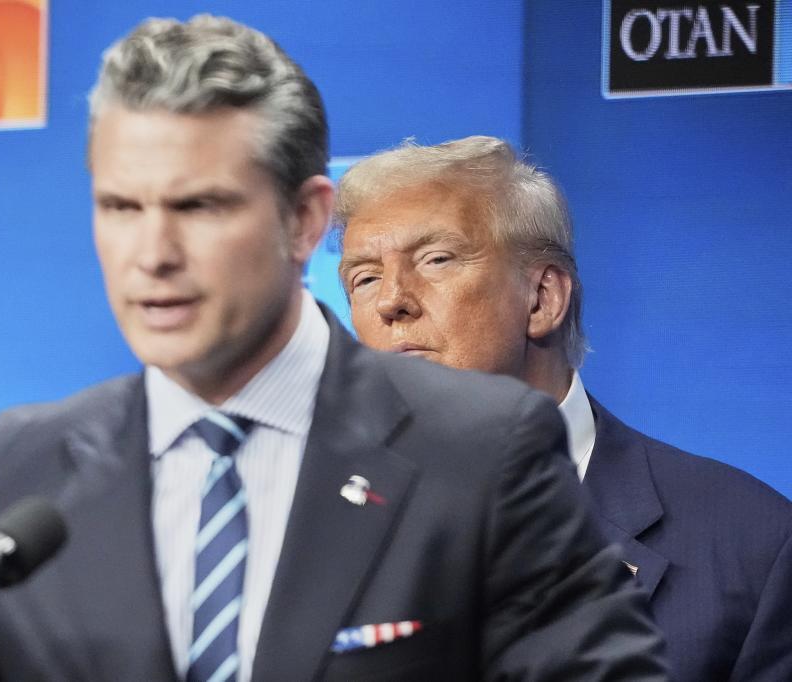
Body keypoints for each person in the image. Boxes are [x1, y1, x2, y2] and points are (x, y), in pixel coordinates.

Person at [0, 20, 666, 681]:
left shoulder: (479, 447)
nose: (152, 254)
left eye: (200, 207)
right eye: (122, 208)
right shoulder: (23, 459)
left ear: (305, 220)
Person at [336, 135, 792, 682]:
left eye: (436, 259)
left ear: (543, 298)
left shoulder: (751, 544)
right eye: (364, 278)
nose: (390, 301)